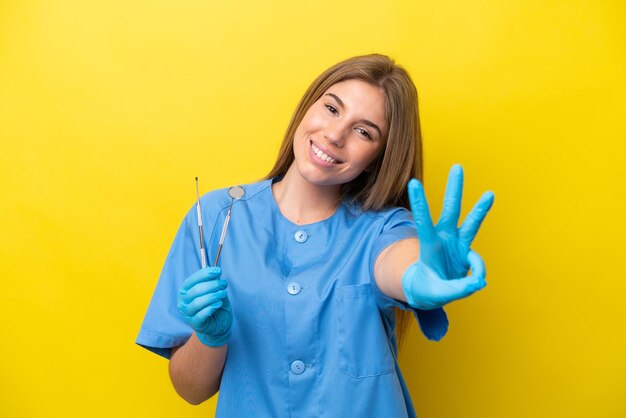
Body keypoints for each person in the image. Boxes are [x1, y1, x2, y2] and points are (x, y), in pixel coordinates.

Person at [136, 54, 494, 417]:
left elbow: (398, 262)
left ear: (378, 158)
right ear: (308, 106)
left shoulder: (383, 228)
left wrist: (422, 274)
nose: (335, 135)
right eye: (332, 108)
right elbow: (191, 391)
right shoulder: (215, 217)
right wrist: (209, 337)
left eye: (364, 131)